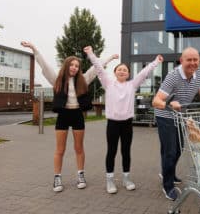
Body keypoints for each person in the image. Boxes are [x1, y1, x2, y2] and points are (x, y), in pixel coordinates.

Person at [21, 41, 117, 192]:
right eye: (72, 65)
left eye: (77, 66)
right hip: (63, 115)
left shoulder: (83, 79)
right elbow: (44, 66)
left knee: (79, 148)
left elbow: (96, 68)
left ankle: (80, 175)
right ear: (66, 66)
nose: (74, 67)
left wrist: (110, 58)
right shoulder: (57, 79)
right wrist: (34, 48)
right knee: (60, 149)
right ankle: (57, 178)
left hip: (77, 115)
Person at [83, 46, 163, 194]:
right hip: (112, 124)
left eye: (125, 70)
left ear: (128, 74)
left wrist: (155, 62)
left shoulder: (132, 85)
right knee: (111, 151)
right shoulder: (108, 83)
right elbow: (99, 68)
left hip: (127, 124)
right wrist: (90, 54)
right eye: (119, 69)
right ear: (115, 72)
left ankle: (126, 178)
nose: (122, 71)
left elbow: (144, 73)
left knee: (126, 151)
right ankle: (110, 180)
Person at [152, 47, 200, 201]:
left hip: (180, 117)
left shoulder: (198, 76)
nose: (192, 63)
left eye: (195, 60)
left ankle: (167, 172)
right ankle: (168, 186)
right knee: (170, 151)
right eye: (188, 60)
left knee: (178, 150)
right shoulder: (173, 76)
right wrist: (170, 104)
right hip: (165, 115)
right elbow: (156, 101)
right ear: (181, 61)